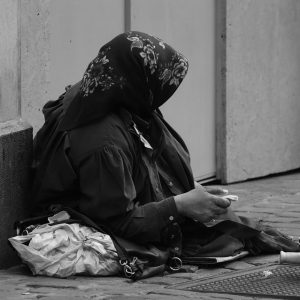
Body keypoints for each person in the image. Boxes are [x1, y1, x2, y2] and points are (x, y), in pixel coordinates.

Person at [31, 31, 299, 263]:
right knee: (220, 236)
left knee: (227, 224)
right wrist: (179, 206)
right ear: (137, 83)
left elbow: (146, 152)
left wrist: (188, 188)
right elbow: (117, 220)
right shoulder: (104, 142)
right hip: (93, 215)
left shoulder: (102, 90)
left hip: (106, 194)